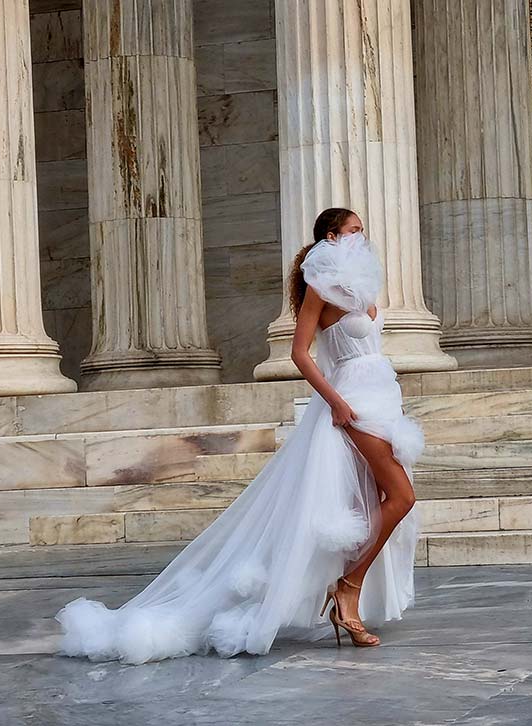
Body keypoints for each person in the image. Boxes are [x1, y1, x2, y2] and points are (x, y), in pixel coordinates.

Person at [54, 208, 424, 664]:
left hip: (382, 394)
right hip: (352, 400)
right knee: (401, 497)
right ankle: (346, 588)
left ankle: (345, 586)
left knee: (377, 500)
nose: (361, 236)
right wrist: (335, 402)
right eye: (353, 230)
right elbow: (299, 353)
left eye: (362, 230)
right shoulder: (320, 289)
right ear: (332, 236)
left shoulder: (364, 287)